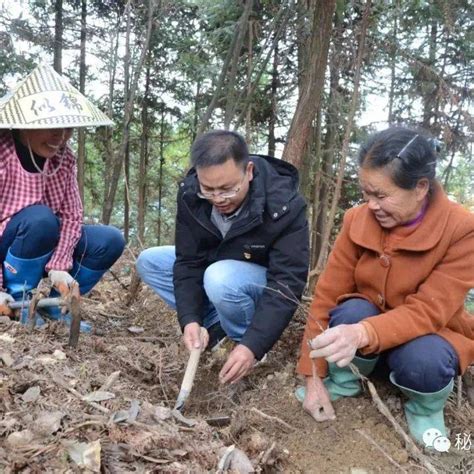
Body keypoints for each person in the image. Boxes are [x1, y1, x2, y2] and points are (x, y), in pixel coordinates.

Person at [295, 127, 474, 445]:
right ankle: (346, 380)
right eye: (366, 194)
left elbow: (429, 311)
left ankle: (425, 407)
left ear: (420, 187)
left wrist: (362, 333)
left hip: (425, 336)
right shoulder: (356, 220)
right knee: (351, 309)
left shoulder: (461, 229)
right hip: (364, 340)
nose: (371, 205)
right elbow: (326, 295)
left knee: (425, 360)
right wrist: (313, 376)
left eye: (381, 195)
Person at [137, 130, 309, 384]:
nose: (218, 199)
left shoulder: (284, 204)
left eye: (228, 189)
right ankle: (214, 328)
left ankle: (241, 344)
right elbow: (188, 261)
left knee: (220, 278)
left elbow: (287, 282)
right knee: (149, 261)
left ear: (248, 171)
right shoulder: (191, 195)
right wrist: (190, 320)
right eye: (209, 189)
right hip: (217, 268)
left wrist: (253, 345)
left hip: (256, 282)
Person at [0, 64, 125, 329]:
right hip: (9, 244)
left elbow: (71, 215)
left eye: (68, 129)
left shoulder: (64, 158)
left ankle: (57, 307)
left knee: (109, 240)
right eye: (53, 128)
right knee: (40, 219)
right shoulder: (3, 153)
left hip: (44, 240)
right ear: (24, 126)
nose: (61, 137)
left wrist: (60, 265)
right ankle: (19, 301)